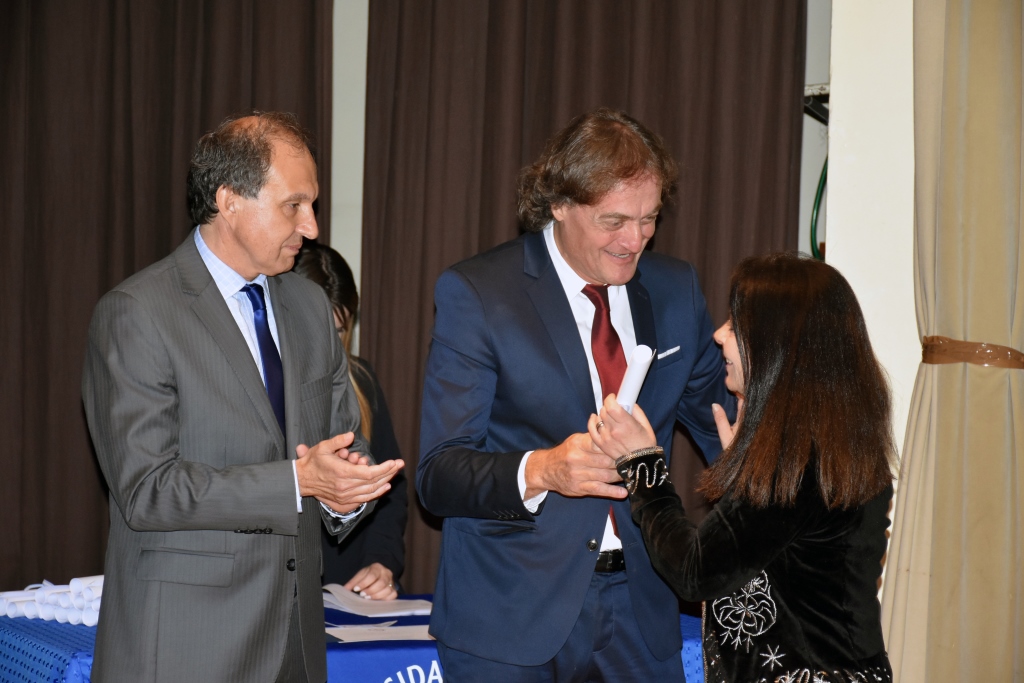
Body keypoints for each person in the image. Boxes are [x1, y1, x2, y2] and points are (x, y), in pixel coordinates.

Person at [81, 112, 403, 683]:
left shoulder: (308, 309)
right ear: (230, 201)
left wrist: (347, 490)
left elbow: (339, 444)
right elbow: (146, 490)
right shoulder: (139, 313)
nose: (310, 227)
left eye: (314, 207)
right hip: (186, 646)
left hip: (297, 643)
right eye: (294, 205)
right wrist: (300, 482)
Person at [417, 108, 736, 680]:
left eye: (649, 218)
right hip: (510, 616)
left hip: (642, 610)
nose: (635, 239)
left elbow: (724, 424)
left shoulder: (674, 290)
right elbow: (439, 474)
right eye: (614, 220)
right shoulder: (481, 294)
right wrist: (543, 469)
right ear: (559, 205)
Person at [592, 253, 895, 682]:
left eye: (735, 325)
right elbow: (763, 552)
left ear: (776, 342)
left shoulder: (794, 460)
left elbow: (695, 572)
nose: (718, 336)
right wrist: (743, 472)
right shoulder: (830, 444)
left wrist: (642, 465)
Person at [292, 241, 408, 600]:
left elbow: (391, 493)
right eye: (319, 331)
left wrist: (382, 564)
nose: (329, 346)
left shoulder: (362, 380)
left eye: (339, 331)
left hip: (349, 595)